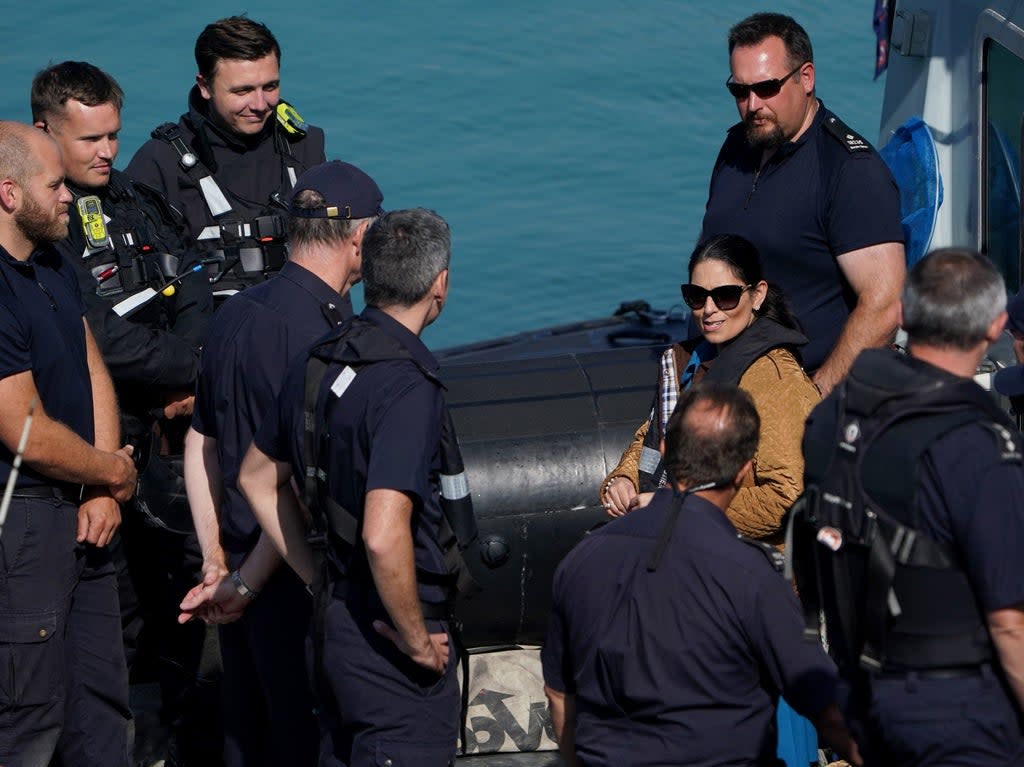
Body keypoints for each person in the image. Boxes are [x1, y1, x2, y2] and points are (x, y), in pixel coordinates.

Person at [31, 59, 216, 765]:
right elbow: (99, 341)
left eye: (113, 135)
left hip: (167, 446)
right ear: (47, 131)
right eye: (90, 141)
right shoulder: (46, 235)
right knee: (115, 620)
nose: (108, 152)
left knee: (178, 602)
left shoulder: (136, 200)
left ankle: (171, 741)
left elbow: (192, 280)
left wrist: (193, 364)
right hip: (96, 455)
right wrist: (188, 369)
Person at [239, 208, 466, 766]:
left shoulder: (320, 357)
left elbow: (256, 476)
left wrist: (316, 576)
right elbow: (385, 535)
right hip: (391, 649)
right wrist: (416, 642)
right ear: (440, 283)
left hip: (333, 625)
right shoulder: (408, 388)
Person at [179, 160, 381, 767]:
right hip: (290, 581)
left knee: (248, 735)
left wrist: (217, 560)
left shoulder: (235, 313)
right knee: (305, 739)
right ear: (358, 239)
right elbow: (287, 481)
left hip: (239, 568)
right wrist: (246, 583)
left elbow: (202, 444)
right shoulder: (328, 338)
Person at [543, 382, 861, 767]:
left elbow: (560, 696)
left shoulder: (581, 560)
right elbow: (824, 703)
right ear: (745, 471)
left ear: (663, 452)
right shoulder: (750, 573)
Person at [793, 248, 1024, 765]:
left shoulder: (832, 417)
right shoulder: (979, 444)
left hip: (866, 694)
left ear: (901, 314)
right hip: (963, 712)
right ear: (997, 326)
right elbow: (1011, 622)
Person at [0, 121, 138, 766]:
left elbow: (89, 365)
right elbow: (22, 428)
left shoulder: (53, 259)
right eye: (54, 184)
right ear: (8, 192)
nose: (69, 197)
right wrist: (110, 468)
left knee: (100, 695)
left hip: (84, 501)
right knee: (30, 714)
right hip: (24, 520)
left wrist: (104, 486)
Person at [702, 12, 905, 395]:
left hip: (804, 392)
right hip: (727, 384)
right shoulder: (737, 146)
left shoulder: (850, 171)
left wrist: (811, 402)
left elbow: (884, 303)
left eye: (766, 87)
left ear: (806, 78)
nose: (752, 104)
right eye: (739, 92)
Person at [602, 234, 819, 544]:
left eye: (726, 296)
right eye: (696, 296)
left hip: (742, 568)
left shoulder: (775, 378)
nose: (709, 309)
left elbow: (787, 496)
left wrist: (676, 510)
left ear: (757, 295)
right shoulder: (686, 362)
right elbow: (651, 438)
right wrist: (622, 480)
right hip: (678, 547)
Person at [126, 15, 327, 298]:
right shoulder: (159, 164)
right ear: (205, 86)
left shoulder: (305, 147)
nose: (260, 105)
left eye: (270, 87)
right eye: (242, 90)